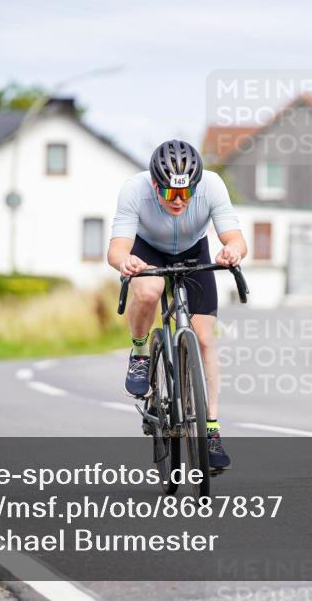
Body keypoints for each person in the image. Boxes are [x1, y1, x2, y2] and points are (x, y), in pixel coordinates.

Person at [107, 139, 247, 470]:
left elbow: (236, 238)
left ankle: (210, 430)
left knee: (203, 337)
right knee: (149, 290)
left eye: (187, 193)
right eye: (170, 193)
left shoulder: (212, 186)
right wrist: (126, 263)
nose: (179, 201)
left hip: (192, 250)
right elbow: (116, 250)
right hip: (148, 250)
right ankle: (141, 353)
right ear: (155, 184)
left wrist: (233, 251)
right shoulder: (134, 190)